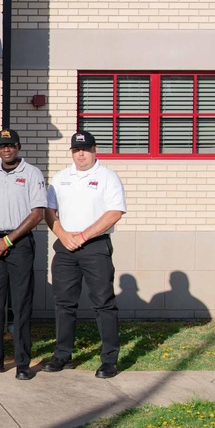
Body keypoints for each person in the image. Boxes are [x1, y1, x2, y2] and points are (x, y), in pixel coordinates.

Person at [44, 131, 127, 379]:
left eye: (86, 149)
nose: (81, 154)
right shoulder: (60, 178)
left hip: (95, 247)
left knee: (103, 303)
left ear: (95, 150)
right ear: (72, 152)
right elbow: (49, 211)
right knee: (64, 304)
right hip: (66, 247)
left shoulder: (107, 177)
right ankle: (62, 355)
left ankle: (109, 360)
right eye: (76, 150)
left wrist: (83, 236)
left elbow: (115, 212)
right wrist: (62, 233)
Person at [0, 129, 47, 381]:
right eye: (2, 146)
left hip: (20, 245)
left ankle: (23, 362)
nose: (7, 150)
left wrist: (8, 240)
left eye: (11, 145)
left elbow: (37, 213)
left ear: (18, 146)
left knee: (21, 304)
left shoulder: (31, 174)